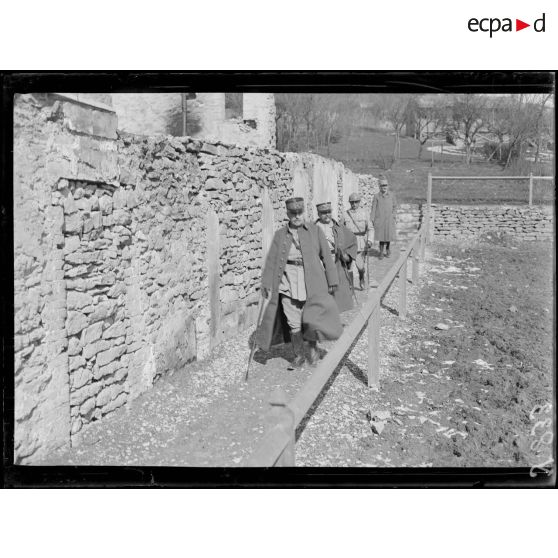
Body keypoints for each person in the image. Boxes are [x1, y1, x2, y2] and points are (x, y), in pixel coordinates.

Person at [256, 197, 341, 368]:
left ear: (304, 212)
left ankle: (312, 348)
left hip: (312, 281)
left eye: (299, 212)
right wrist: (266, 283)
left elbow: (326, 256)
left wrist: (332, 279)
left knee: (311, 318)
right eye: (293, 213)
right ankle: (299, 355)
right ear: (287, 214)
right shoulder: (280, 235)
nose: (296, 216)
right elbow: (272, 260)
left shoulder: (315, 231)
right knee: (293, 321)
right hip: (287, 282)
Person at [315, 201, 357, 313]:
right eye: (323, 212)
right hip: (320, 262)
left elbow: (352, 240)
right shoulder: (313, 229)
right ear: (318, 214)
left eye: (329, 212)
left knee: (339, 289)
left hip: (337, 261)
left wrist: (347, 256)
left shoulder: (338, 227)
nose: (327, 215)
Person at [343, 192, 372, 290]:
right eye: (352, 202)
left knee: (360, 266)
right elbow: (340, 229)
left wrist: (370, 240)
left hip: (360, 243)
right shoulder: (345, 214)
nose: (354, 204)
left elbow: (370, 228)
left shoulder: (365, 213)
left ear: (359, 202)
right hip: (349, 243)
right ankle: (350, 286)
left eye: (356, 202)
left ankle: (361, 276)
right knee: (349, 267)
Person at [370, 176, 397, 259]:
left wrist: (393, 215)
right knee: (381, 237)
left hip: (389, 219)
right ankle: (381, 252)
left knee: (388, 236)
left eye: (385, 185)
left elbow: (395, 206)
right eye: (382, 186)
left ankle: (388, 249)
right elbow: (373, 208)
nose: (384, 187)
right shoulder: (376, 196)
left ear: (388, 186)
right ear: (380, 187)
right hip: (380, 219)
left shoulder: (391, 195)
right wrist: (372, 218)